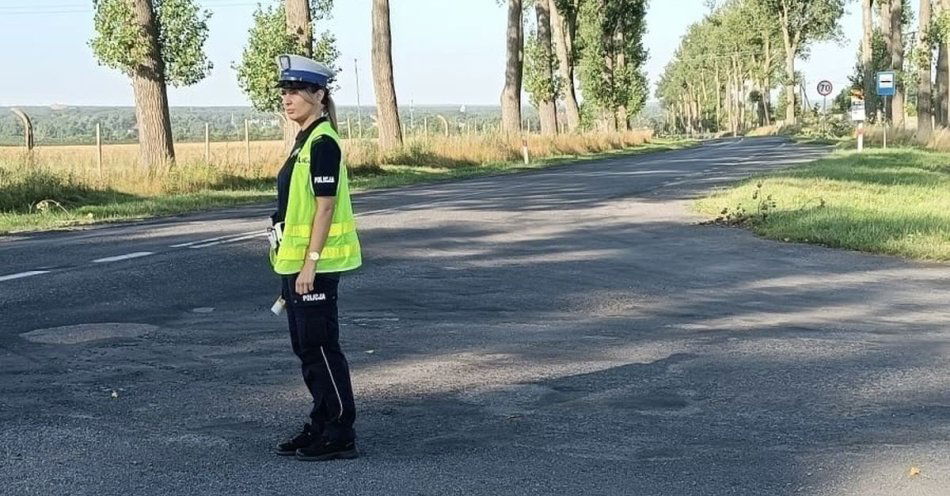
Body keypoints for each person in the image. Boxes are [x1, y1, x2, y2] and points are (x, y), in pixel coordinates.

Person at [268, 54, 362, 462]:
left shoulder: (323, 142)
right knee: (306, 348)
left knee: (321, 346)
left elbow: (324, 209)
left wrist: (311, 263)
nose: (287, 99)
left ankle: (340, 429)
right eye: (285, 92)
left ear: (318, 95)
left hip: (315, 268)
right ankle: (322, 422)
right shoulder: (304, 140)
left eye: (295, 92)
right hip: (296, 265)